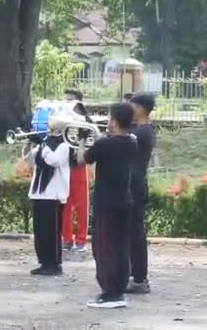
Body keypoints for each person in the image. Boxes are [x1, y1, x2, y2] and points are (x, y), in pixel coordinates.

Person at [77, 102, 137, 309]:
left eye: (110, 118)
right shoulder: (132, 142)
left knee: (104, 248)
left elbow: (81, 159)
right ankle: (118, 290)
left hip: (106, 203)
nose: (107, 121)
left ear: (115, 121)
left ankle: (109, 292)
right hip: (124, 201)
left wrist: (82, 140)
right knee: (121, 246)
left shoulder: (105, 144)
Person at [22, 117, 70, 276]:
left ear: (60, 130)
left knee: (52, 232)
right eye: (49, 128)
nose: (49, 131)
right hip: (39, 193)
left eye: (52, 129)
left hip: (53, 194)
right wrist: (28, 144)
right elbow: (29, 160)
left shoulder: (64, 145)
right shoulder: (46, 144)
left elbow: (54, 161)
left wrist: (42, 145)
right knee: (40, 231)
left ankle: (54, 264)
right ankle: (43, 261)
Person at [126, 93, 157, 294]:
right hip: (131, 184)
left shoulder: (143, 132)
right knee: (130, 233)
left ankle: (139, 278)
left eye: (132, 106)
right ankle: (132, 274)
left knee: (136, 234)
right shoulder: (138, 129)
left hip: (135, 186)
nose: (130, 109)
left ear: (141, 109)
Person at [61, 90, 90, 252]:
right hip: (63, 163)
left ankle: (80, 240)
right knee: (65, 203)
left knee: (80, 204)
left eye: (70, 101)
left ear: (78, 103)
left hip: (78, 165)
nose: (67, 103)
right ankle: (66, 238)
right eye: (66, 100)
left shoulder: (84, 119)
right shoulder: (61, 118)